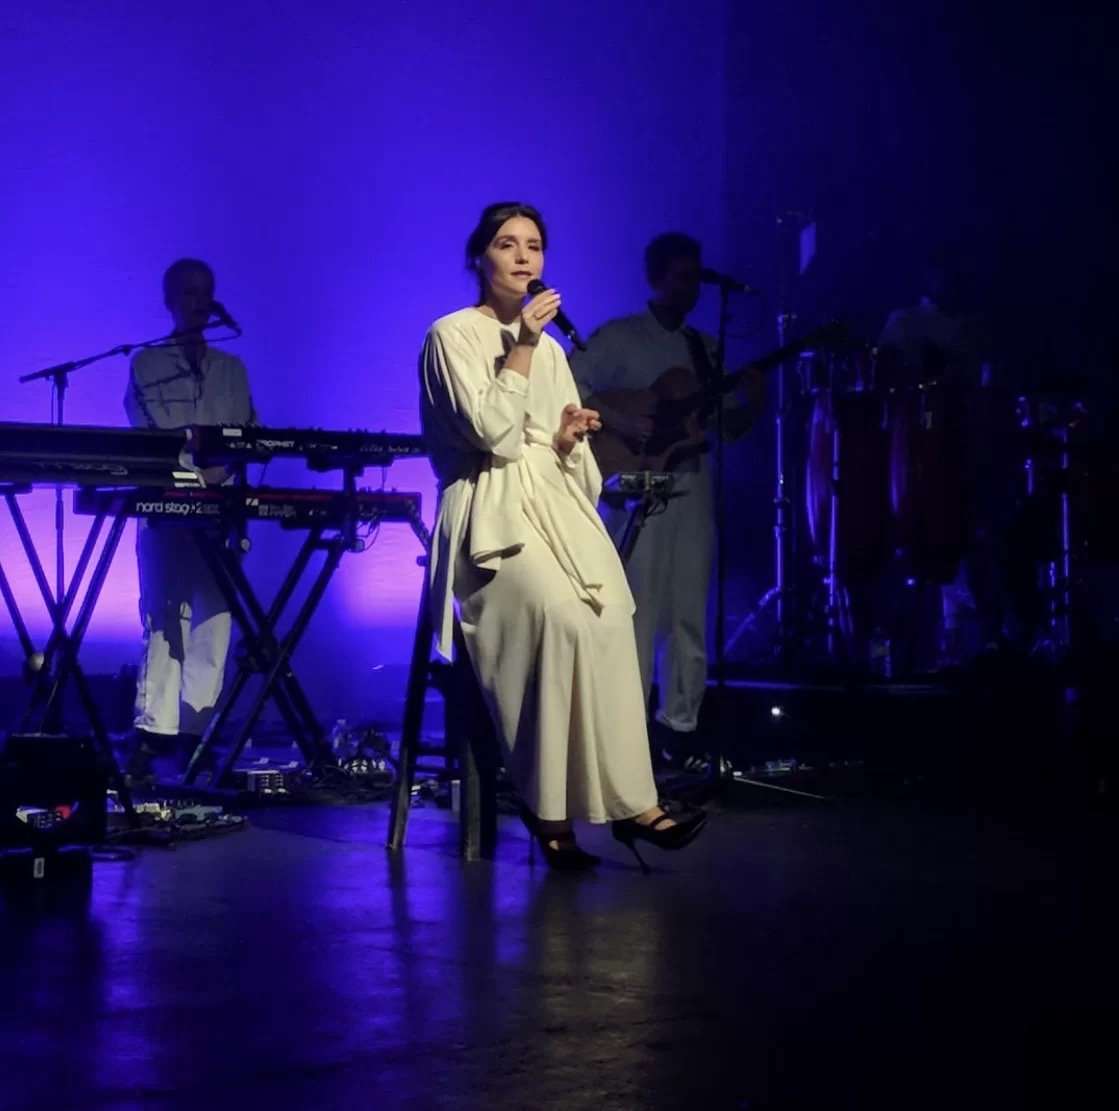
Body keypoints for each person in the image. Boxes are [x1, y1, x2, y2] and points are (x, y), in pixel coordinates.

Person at [419, 202, 706, 871]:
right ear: (478, 257)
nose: (524, 257)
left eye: (535, 246)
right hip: (488, 510)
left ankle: (632, 802)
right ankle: (546, 810)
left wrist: (568, 439)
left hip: (550, 505)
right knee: (555, 616)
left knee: (610, 616)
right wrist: (519, 344)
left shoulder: (549, 349)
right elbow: (489, 435)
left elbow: (569, 471)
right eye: (507, 243)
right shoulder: (451, 336)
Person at [569, 233, 760, 765]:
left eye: (697, 277)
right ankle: (625, 732)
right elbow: (568, 388)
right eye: (682, 276)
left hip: (692, 485)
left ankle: (681, 728)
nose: (693, 287)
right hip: (635, 490)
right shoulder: (618, 338)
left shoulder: (705, 348)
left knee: (688, 609)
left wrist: (753, 405)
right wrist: (621, 420)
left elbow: (725, 427)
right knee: (637, 608)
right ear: (657, 278)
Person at [123, 258, 257, 780]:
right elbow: (148, 430)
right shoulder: (146, 363)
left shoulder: (232, 368)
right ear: (170, 300)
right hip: (168, 504)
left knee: (214, 616)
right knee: (162, 613)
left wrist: (224, 473)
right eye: (188, 292)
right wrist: (195, 476)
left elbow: (250, 429)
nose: (197, 301)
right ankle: (153, 730)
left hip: (219, 509)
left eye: (205, 292)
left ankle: (197, 729)